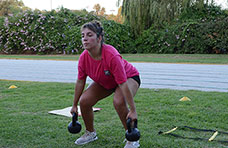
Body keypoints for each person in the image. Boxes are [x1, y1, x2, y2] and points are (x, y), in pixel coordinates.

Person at [70, 20, 141, 148]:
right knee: (84, 101)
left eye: (90, 35)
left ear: (99, 38)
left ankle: (131, 137)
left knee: (119, 101)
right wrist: (74, 105)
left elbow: (123, 83)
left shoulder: (111, 55)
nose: (85, 39)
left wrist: (133, 110)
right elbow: (80, 81)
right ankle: (90, 133)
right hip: (106, 81)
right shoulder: (84, 58)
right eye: (83, 35)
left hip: (129, 77)